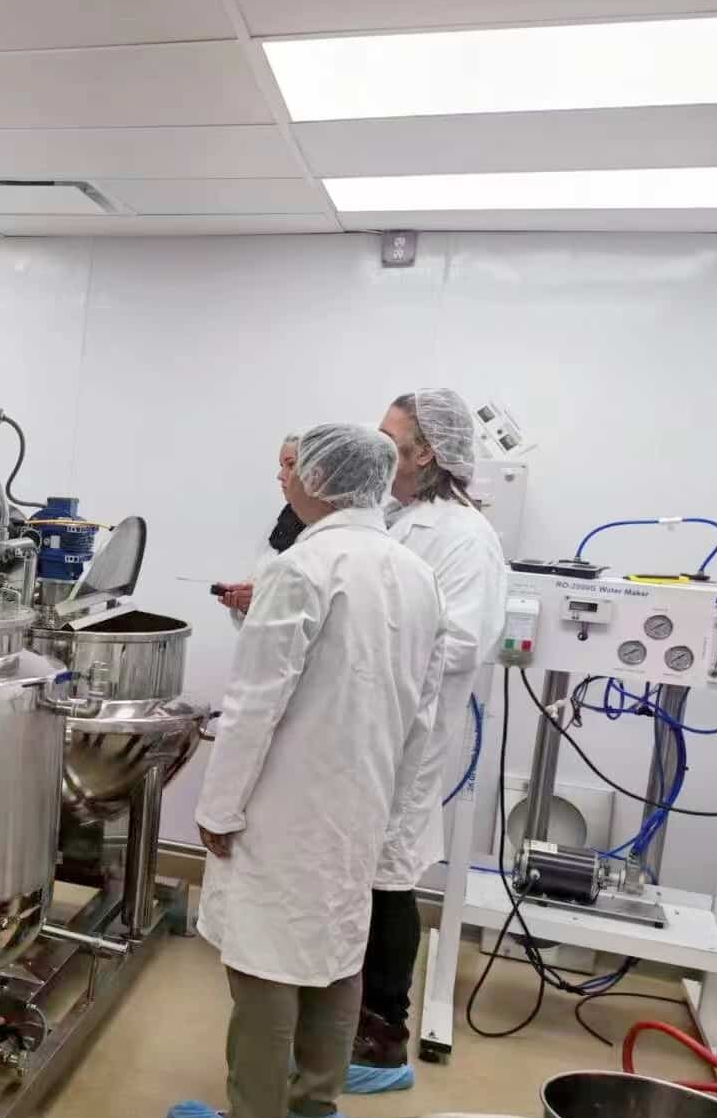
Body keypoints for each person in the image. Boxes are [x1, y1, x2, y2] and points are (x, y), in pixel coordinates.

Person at [169, 424, 446, 1118]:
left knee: (264, 966)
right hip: (364, 799)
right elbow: (423, 714)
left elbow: (254, 705)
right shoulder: (413, 574)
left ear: (317, 480)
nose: (283, 479)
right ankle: (314, 1105)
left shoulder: (299, 568)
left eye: (291, 469)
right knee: (334, 954)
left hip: (283, 804)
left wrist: (217, 810)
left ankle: (254, 1109)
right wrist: (396, 811)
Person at [346, 390, 509, 1094]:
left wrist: (362, 646)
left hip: (405, 735)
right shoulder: (400, 516)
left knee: (388, 879)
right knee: (366, 874)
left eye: (392, 440)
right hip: (367, 726)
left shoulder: (463, 536)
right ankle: (345, 1027)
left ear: (429, 453)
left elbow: (463, 640)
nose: (380, 451)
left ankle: (381, 1045)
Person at [216, 432, 303, 622]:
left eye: (291, 464)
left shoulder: (331, 535)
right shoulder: (282, 523)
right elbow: (263, 580)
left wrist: (264, 599)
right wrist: (247, 602)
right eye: (282, 466)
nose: (280, 476)